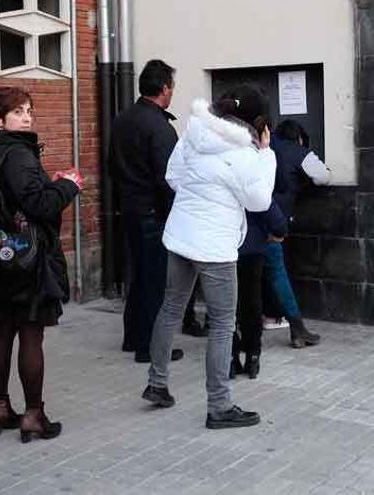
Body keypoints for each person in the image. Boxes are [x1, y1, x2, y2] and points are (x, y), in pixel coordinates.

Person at [142, 85, 276, 430]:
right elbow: (259, 201)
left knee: (171, 308)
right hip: (215, 245)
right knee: (222, 324)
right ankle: (219, 406)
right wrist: (267, 154)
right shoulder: (247, 154)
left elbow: (173, 177)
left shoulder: (193, 133)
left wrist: (198, 192)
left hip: (181, 235)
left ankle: (157, 383)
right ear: (255, 122)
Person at [0, 87, 82, 443]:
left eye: (28, 111)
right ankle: (34, 414)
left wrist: (45, 184)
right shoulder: (18, 154)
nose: (26, 117)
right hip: (27, 259)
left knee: (3, 328)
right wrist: (68, 186)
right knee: (30, 332)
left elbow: (10, 199)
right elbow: (39, 206)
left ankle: (0, 405)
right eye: (18, 112)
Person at [109, 59, 184, 363]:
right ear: (165, 89)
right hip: (153, 212)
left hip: (129, 208)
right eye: (172, 87)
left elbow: (112, 165)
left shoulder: (122, 119)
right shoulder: (160, 128)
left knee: (138, 275)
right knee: (154, 280)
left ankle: (133, 337)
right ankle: (150, 346)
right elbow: (168, 177)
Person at [264, 119, 328, 348]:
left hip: (249, 221)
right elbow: (323, 176)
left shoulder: (266, 148)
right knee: (277, 271)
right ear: (300, 137)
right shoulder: (300, 152)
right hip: (276, 221)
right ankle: (291, 324)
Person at [232, 202, 287, 380]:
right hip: (252, 245)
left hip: (224, 245)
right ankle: (253, 355)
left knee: (226, 306)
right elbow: (276, 220)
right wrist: (276, 233)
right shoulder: (252, 177)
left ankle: (231, 357)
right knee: (252, 301)